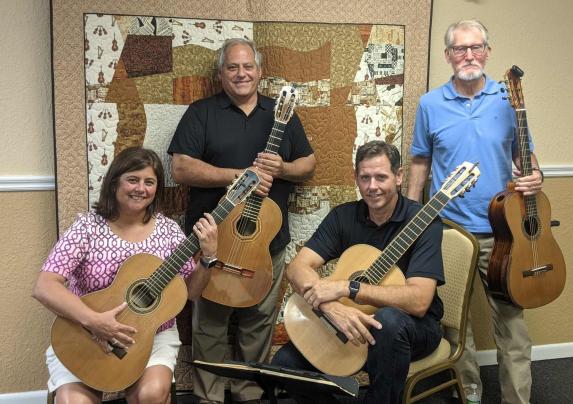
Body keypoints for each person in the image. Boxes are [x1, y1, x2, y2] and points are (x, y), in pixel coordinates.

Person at [168, 38, 315, 403]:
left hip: (266, 242)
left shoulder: (279, 113)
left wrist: (283, 166)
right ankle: (209, 395)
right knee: (210, 323)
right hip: (214, 239)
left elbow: (308, 164)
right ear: (220, 74)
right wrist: (237, 176)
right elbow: (180, 167)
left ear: (260, 71)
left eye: (247, 66)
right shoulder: (201, 112)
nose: (241, 73)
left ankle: (250, 391)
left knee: (259, 320)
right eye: (232, 67)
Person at [407, 20, 544, 404]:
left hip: (504, 235)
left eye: (476, 47)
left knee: (513, 328)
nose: (469, 55)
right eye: (460, 49)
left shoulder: (508, 100)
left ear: (488, 50)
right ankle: (469, 395)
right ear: (448, 56)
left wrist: (538, 176)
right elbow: (420, 163)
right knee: (455, 328)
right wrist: (413, 220)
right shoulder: (430, 104)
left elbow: (527, 159)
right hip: (448, 232)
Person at [32, 147, 218, 404]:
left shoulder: (169, 231)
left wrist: (208, 258)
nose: (141, 188)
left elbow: (192, 292)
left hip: (151, 336)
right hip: (84, 332)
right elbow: (44, 286)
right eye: (133, 179)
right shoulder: (88, 227)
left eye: (149, 182)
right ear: (114, 182)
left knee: (150, 395)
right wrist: (95, 322)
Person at [272, 140, 445, 404]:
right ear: (356, 178)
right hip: (353, 322)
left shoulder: (424, 221)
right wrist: (331, 307)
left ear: (399, 177)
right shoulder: (344, 217)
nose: (372, 186)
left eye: (381, 177)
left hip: (413, 328)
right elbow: (297, 267)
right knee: (285, 364)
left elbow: (420, 302)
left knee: (387, 322)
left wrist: (348, 288)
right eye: (365, 177)